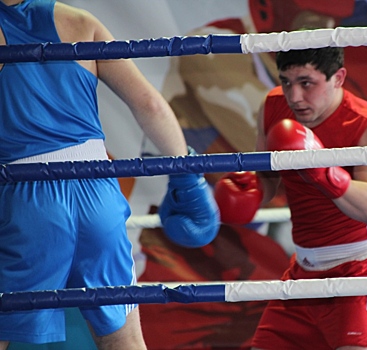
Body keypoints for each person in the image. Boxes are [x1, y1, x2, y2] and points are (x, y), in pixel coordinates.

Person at [0, 0, 218, 348]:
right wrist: (187, 177)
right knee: (125, 340)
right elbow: (150, 104)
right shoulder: (80, 22)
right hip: (97, 189)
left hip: (29, 194)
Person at [214, 46, 367, 349]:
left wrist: (323, 169)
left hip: (360, 267)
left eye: (306, 83)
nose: (295, 96)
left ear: (338, 77)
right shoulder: (274, 106)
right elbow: (268, 180)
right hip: (304, 270)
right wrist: (243, 193)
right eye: (286, 82)